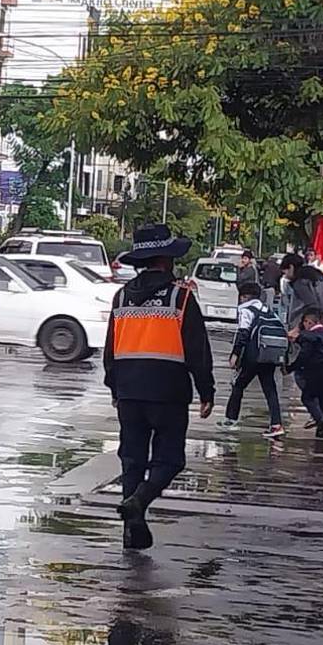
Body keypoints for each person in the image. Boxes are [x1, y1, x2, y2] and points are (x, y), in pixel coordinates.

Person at [104, 224, 214, 551]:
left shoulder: (121, 296)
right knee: (169, 460)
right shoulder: (180, 297)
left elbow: (111, 349)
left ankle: (131, 531)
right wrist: (206, 391)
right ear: (166, 260)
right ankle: (139, 502)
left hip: (128, 391)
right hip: (168, 391)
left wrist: (114, 387)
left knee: (132, 460)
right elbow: (197, 349)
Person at [281, 253, 323, 433]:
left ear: (292, 267)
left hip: (312, 334)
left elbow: (312, 306)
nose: (284, 275)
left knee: (304, 376)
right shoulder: (320, 277)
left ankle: (319, 417)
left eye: (285, 270)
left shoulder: (301, 282)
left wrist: (298, 329)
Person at [219, 282, 285, 437]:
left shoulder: (246, 309)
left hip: (253, 355)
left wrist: (235, 354)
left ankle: (230, 419)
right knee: (270, 389)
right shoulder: (266, 309)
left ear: (244, 296)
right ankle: (276, 424)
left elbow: (243, 332)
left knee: (239, 385)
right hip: (269, 354)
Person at [289, 309, 323, 439]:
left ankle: (321, 421)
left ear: (309, 322)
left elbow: (304, 354)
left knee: (308, 397)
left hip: (315, 371)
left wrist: (291, 367)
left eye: (305, 323)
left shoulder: (308, 336)